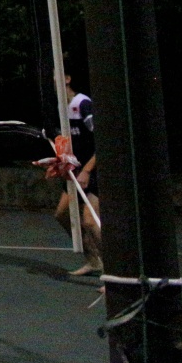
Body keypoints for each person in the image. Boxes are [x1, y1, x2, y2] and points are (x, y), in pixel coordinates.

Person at [55, 72, 101, 276]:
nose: (52, 81)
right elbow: (65, 142)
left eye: (56, 76)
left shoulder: (83, 104)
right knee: (62, 214)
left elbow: (103, 141)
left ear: (67, 78)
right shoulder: (61, 108)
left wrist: (88, 170)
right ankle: (94, 261)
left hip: (93, 170)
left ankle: (115, 272)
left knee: (90, 221)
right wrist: (59, 163)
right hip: (76, 170)